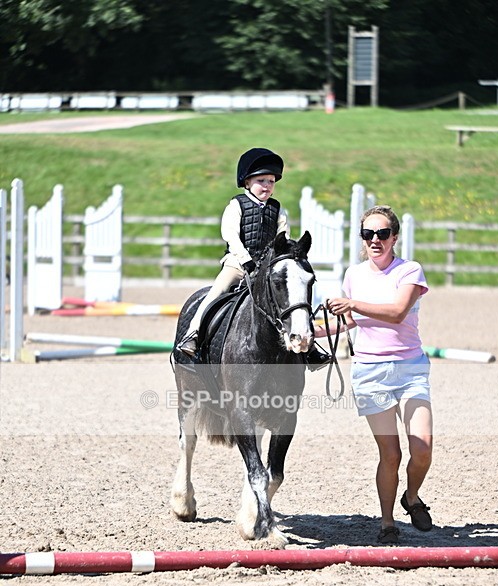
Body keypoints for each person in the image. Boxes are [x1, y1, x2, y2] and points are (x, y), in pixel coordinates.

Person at [327, 205, 433, 545]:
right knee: (391, 455)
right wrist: (307, 334)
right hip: (370, 372)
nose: (375, 240)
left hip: (410, 369)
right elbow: (347, 322)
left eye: (382, 234)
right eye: (368, 234)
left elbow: (398, 313)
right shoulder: (354, 275)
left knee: (423, 448)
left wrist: (353, 304)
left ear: (394, 237)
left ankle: (412, 497)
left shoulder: (410, 271)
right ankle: (387, 523)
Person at [176, 147, 330, 369]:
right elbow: (230, 235)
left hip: (267, 268)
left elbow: (282, 238)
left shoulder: (278, 209)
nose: (267, 186)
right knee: (215, 293)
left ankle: (309, 348)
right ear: (247, 182)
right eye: (261, 181)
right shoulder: (236, 204)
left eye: (271, 181)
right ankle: (193, 335)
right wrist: (245, 259)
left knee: (290, 301)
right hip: (237, 264)